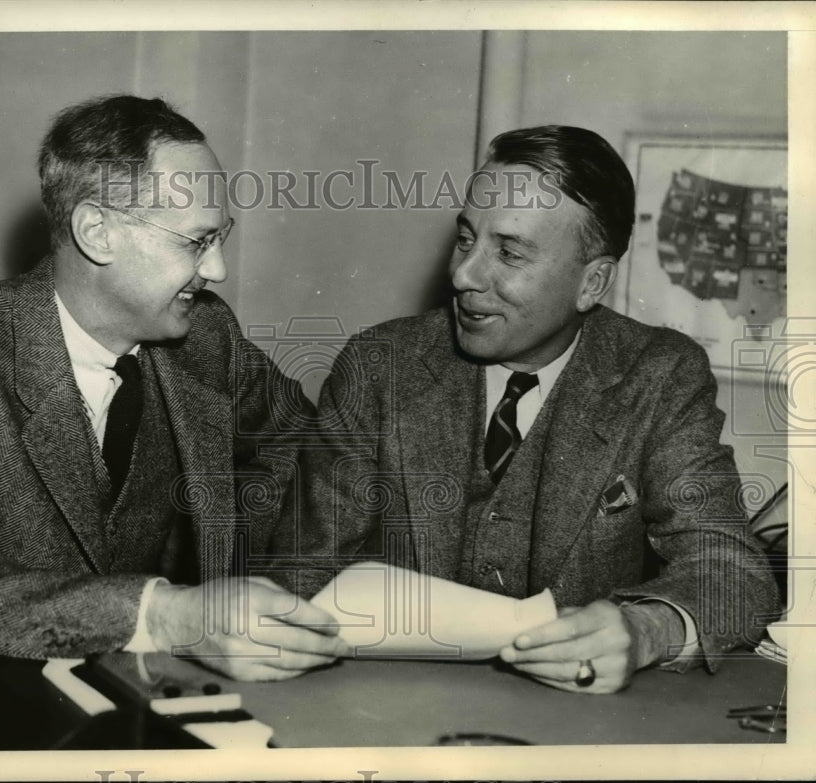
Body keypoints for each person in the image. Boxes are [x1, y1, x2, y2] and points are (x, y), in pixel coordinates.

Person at [0, 94, 347, 681]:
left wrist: (262, 581)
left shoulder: (207, 335)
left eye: (222, 238)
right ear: (97, 232)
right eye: (196, 242)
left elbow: (312, 455)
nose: (218, 270)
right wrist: (168, 615)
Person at [282, 125, 780, 693]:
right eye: (466, 239)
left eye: (509, 252)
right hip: (391, 704)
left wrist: (648, 628)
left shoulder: (660, 375)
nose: (463, 275)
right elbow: (302, 571)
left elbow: (733, 571)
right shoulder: (380, 365)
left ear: (592, 282)